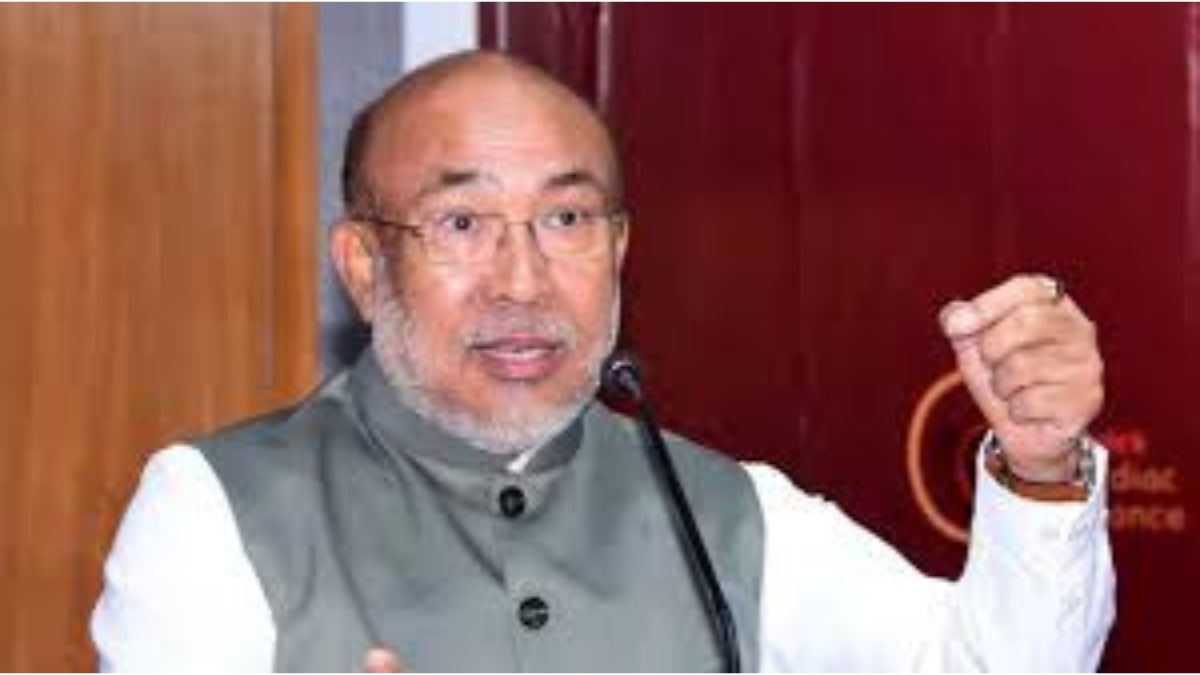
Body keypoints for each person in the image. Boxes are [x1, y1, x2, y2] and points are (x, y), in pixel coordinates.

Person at [92, 50, 1114, 672]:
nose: (523, 280)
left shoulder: (728, 513)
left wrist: (1040, 469)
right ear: (365, 265)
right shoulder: (214, 510)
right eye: (462, 222)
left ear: (619, 250)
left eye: (567, 219)